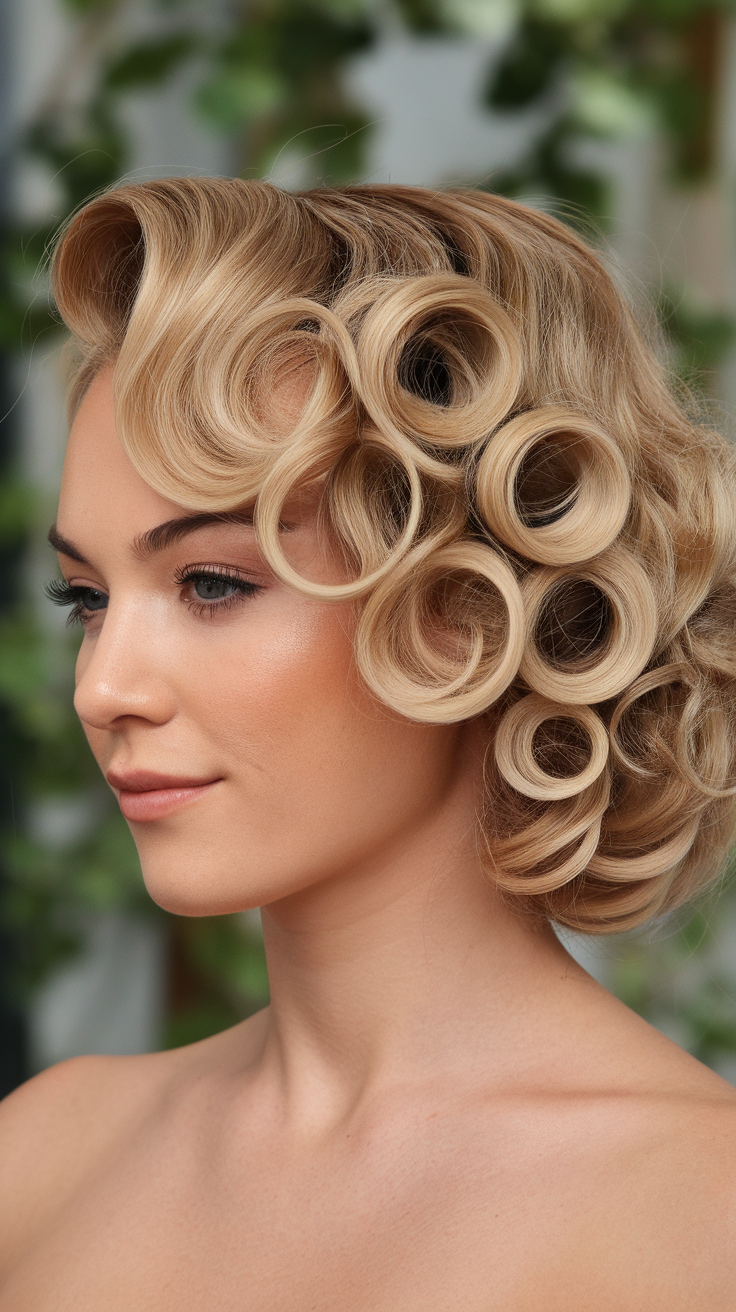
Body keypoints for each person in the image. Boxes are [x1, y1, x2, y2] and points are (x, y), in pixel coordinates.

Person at [1, 178, 735, 1309]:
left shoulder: (699, 1213)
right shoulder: (40, 1157)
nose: (103, 688)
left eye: (210, 581)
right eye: (86, 596)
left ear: (474, 608)